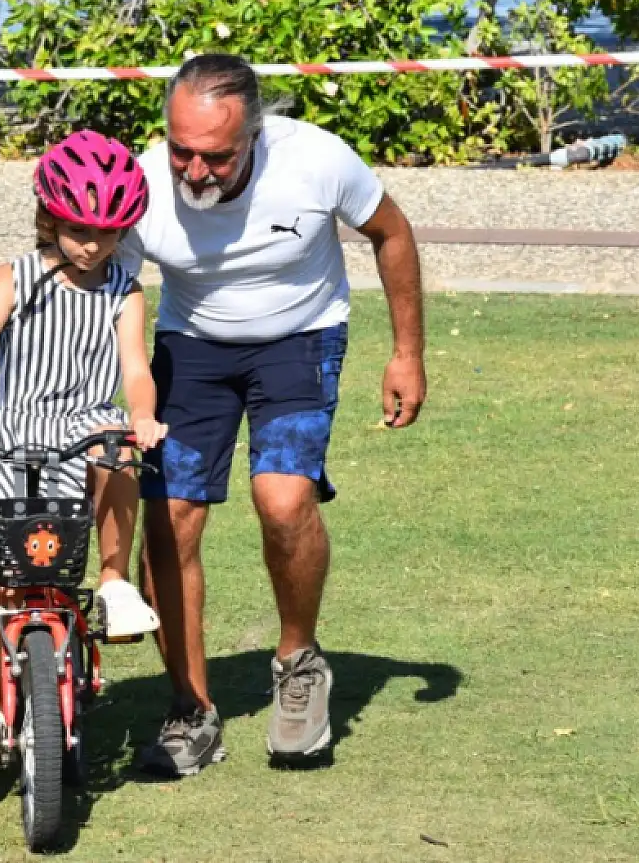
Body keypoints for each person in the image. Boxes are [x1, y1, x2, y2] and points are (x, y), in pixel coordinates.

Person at [123, 53, 428, 776]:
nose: (194, 173)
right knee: (169, 517)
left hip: (300, 336)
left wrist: (407, 352)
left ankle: (297, 662)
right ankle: (190, 710)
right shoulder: (141, 184)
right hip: (191, 344)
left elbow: (393, 232)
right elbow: (108, 282)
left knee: (284, 499)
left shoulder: (316, 159)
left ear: (255, 135)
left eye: (216, 157)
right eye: (182, 152)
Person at [0, 129, 169, 763]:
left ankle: (114, 583)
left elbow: (135, 366)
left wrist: (142, 415)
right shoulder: (16, 278)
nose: (93, 244)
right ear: (49, 218)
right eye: (79, 229)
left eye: (109, 232)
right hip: (11, 441)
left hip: (81, 429)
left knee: (118, 448)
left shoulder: (125, 291)